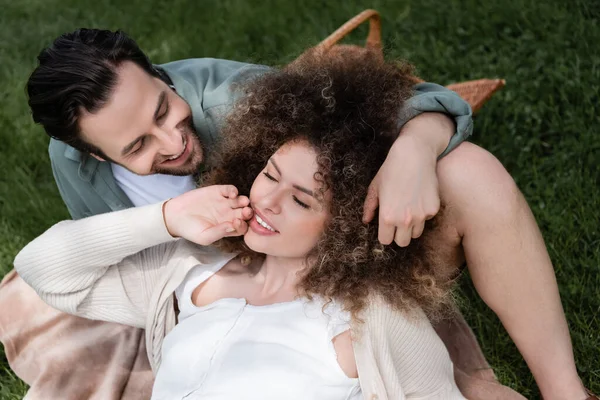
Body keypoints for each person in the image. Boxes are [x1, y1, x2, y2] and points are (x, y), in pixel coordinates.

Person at [8, 29, 592, 399]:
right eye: (136, 147)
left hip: (335, 263)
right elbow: (56, 262)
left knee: (469, 170)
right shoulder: (77, 167)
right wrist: (169, 220)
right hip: (216, 285)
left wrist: (415, 147)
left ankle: (564, 390)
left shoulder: (232, 103)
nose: (171, 142)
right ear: (89, 152)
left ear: (161, 76)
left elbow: (360, 113)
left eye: (165, 108)